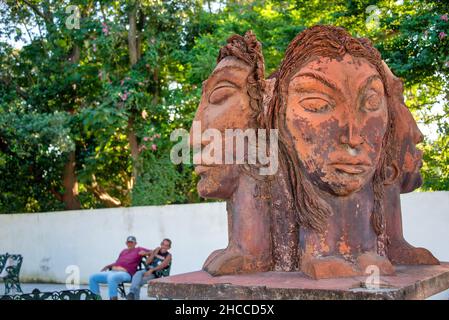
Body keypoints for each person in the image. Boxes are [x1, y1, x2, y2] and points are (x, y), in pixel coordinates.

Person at [89, 236, 149, 300]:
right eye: (128, 242)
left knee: (112, 278)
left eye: (131, 242)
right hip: (113, 271)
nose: (129, 244)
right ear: (126, 243)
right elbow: (118, 262)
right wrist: (107, 266)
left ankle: (113, 298)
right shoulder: (123, 251)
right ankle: (96, 298)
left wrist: (146, 253)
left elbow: (153, 251)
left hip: (126, 274)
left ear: (135, 243)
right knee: (93, 277)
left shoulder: (138, 249)